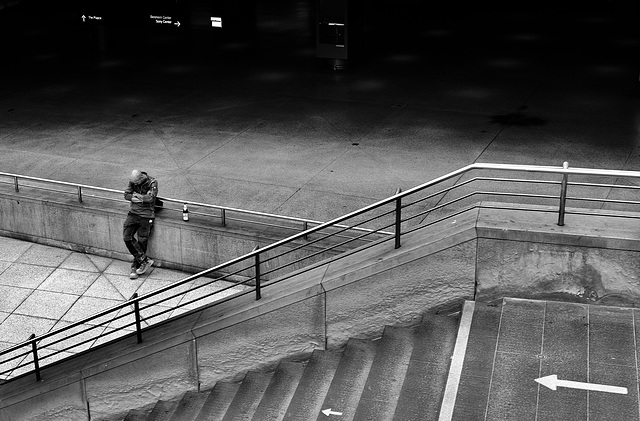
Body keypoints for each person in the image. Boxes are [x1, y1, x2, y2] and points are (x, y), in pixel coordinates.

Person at [123, 169, 158, 279]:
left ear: (141, 178)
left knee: (142, 241)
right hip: (133, 213)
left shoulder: (152, 182)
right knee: (127, 237)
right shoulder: (133, 181)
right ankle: (144, 260)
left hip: (146, 215)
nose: (135, 184)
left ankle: (135, 267)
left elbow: (150, 199)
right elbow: (126, 195)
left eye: (136, 183)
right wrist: (140, 197)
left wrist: (137, 196)